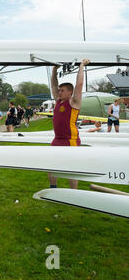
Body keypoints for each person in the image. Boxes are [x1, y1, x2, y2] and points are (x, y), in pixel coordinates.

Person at [48, 59, 90, 189]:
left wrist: (82, 66)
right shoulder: (59, 101)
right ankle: (53, 188)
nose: (59, 92)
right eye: (59, 90)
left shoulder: (74, 102)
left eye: (62, 90)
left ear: (69, 92)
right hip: (57, 139)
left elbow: (79, 84)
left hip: (70, 140)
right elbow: (54, 85)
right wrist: (55, 69)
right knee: (50, 164)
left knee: (71, 168)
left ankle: (74, 193)